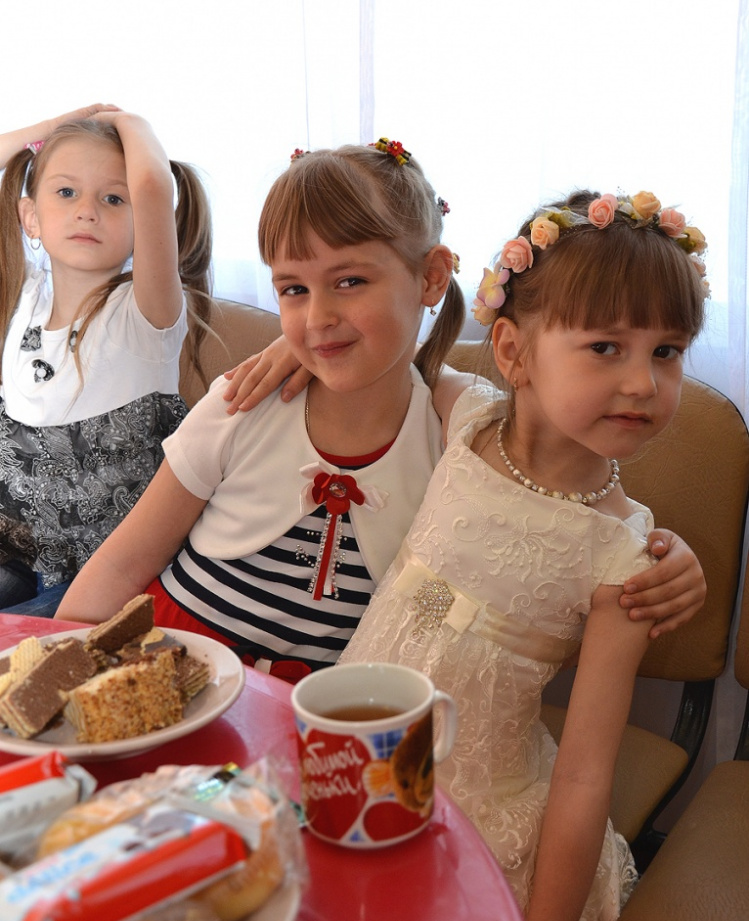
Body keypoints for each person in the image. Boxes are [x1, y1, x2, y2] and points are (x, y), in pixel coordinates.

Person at [58, 144, 704, 677]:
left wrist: (657, 551)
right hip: (164, 672)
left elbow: (558, 469)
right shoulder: (243, 401)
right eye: (294, 289)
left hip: (324, 718)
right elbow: (123, 562)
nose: (318, 316)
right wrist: (58, 672)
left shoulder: (461, 431)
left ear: (431, 277)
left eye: (350, 282)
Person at [339, 189, 709, 921]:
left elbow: (581, 780)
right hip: (360, 754)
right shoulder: (464, 418)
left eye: (667, 351)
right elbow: (375, 352)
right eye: (605, 346)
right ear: (511, 350)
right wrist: (282, 355)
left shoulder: (622, 558)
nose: (643, 382)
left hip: (477, 818)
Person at [0, 104, 213, 614]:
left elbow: (154, 187)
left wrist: (130, 122)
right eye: (66, 192)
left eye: (114, 198)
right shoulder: (25, 298)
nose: (87, 211)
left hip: (107, 578)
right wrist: (50, 129)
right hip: (19, 556)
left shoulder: (145, 317)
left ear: (144, 224)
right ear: (30, 216)